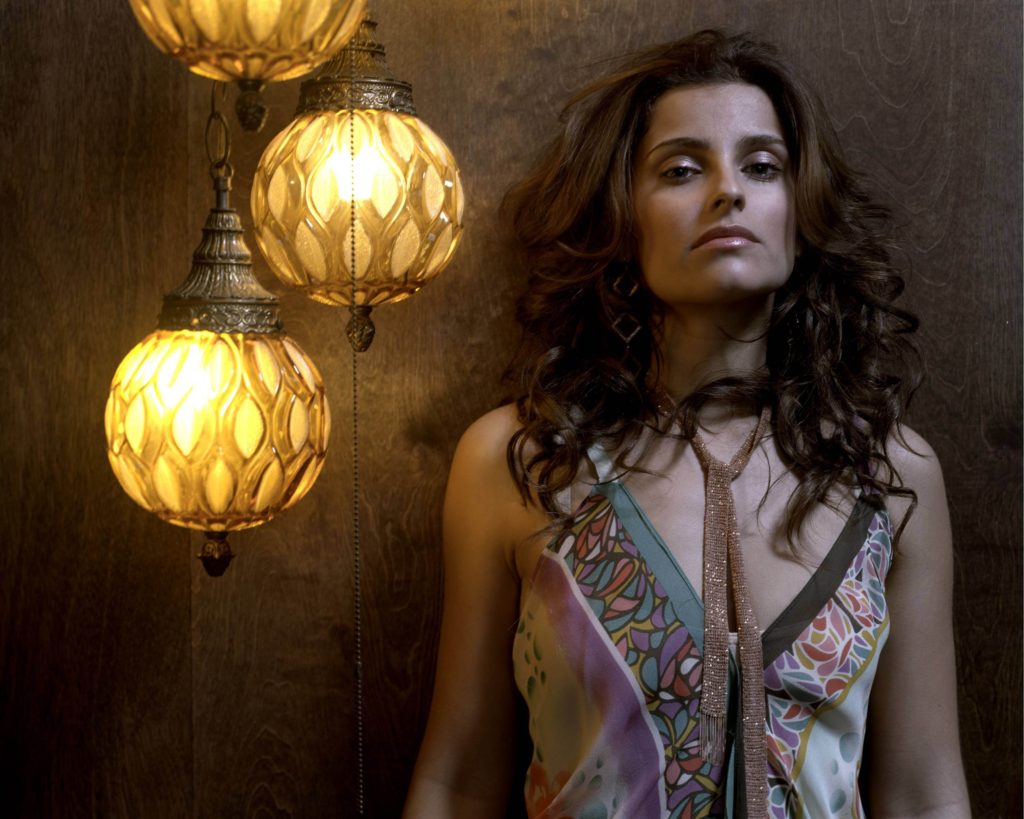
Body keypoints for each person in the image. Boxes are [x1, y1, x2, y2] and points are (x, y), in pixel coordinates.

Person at [403, 30, 970, 819]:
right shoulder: (519, 460)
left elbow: (923, 795)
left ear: (800, 210)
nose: (728, 191)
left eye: (762, 166)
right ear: (621, 216)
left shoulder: (891, 473)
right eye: (680, 169)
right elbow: (458, 783)